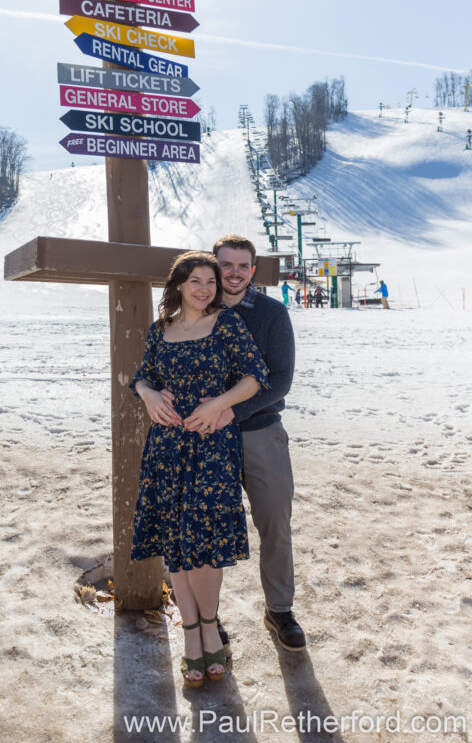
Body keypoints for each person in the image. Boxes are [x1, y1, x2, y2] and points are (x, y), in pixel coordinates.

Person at [130, 251, 270, 687]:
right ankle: (191, 633)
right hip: (167, 447)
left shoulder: (226, 325)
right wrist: (147, 394)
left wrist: (218, 403)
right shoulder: (160, 330)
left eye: (211, 281)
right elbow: (142, 375)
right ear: (179, 285)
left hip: (211, 443)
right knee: (176, 537)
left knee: (206, 539)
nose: (206, 288)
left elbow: (254, 376)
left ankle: (210, 625)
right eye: (197, 281)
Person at [162, 235, 305, 652]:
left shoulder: (271, 314)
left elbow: (280, 380)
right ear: (214, 265)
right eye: (226, 265)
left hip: (258, 432)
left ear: (253, 270)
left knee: (274, 522)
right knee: (202, 528)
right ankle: (208, 619)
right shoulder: (194, 311)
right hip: (202, 440)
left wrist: (229, 413)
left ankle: (280, 609)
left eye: (243, 266)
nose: (234, 273)